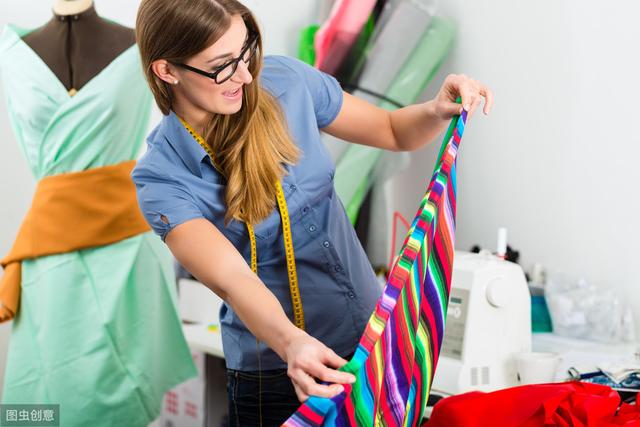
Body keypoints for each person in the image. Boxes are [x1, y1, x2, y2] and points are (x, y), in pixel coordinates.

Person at [133, 0, 493, 425]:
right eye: (222, 66)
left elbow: (393, 131)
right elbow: (232, 279)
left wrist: (435, 111)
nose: (246, 76)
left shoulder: (286, 82)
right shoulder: (161, 178)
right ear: (167, 71)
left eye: (246, 51)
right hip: (275, 373)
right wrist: (292, 344)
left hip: (370, 346)